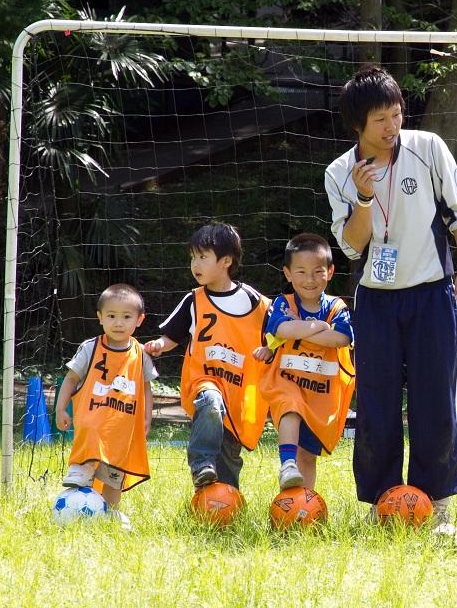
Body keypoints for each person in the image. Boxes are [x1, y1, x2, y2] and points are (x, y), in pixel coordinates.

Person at [324, 66, 457, 534]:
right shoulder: (338, 174)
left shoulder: (427, 148)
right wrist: (365, 199)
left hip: (433, 294)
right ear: (358, 125)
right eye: (381, 121)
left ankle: (440, 506)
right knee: (376, 403)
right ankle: (380, 504)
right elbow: (351, 246)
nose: (393, 127)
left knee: (436, 401)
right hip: (375, 302)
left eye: (397, 115)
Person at [144, 223, 271, 490]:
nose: (195, 264)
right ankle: (200, 462)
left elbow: (278, 337)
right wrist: (159, 344)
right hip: (203, 383)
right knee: (211, 402)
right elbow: (173, 336)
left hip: (239, 395)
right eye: (192, 257)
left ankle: (220, 505)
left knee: (227, 463)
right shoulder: (194, 300)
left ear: (226, 261)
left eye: (202, 257)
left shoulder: (256, 303)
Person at [256, 233, 355, 491]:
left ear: (330, 272)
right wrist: (320, 327)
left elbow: (342, 337)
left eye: (317, 271)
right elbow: (282, 331)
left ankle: (304, 502)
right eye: (300, 272)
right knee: (291, 408)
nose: (309, 279)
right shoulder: (282, 303)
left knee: (308, 456)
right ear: (288, 273)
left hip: (320, 391)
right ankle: (286, 464)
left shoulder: (336, 306)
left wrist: (300, 327)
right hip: (287, 382)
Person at [56, 283, 156, 528]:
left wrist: (146, 418)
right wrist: (60, 408)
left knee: (114, 477)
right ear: (100, 317)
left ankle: (110, 513)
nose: (118, 323)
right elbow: (71, 379)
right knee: (90, 430)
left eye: (126, 317)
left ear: (139, 320)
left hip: (121, 427)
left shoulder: (140, 354)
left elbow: (146, 389)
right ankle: (80, 469)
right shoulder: (90, 347)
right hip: (93, 418)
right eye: (111, 316)